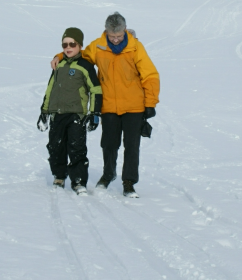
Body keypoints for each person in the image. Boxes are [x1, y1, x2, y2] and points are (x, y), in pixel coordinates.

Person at [51, 12, 160, 198]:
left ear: (124, 31)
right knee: (109, 144)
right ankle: (108, 174)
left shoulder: (135, 47)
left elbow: (150, 75)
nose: (116, 40)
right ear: (106, 32)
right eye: (112, 36)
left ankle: (129, 182)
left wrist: (150, 103)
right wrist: (61, 55)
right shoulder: (98, 46)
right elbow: (80, 55)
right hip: (108, 105)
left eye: (119, 36)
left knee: (131, 145)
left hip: (134, 106)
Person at [37, 28, 102, 195]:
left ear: (79, 45)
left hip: (76, 114)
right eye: (65, 44)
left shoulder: (85, 66)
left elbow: (95, 90)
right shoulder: (59, 65)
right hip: (57, 114)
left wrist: (94, 113)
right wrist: (44, 111)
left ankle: (78, 181)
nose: (68, 47)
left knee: (76, 148)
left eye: (72, 44)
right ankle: (59, 176)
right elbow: (50, 88)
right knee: (55, 147)